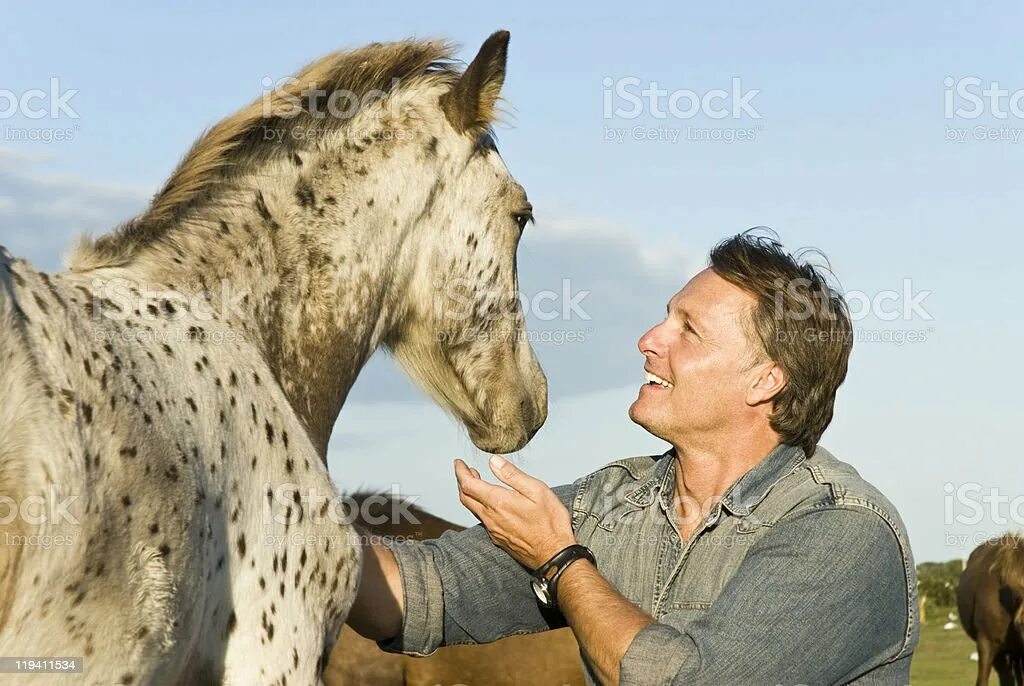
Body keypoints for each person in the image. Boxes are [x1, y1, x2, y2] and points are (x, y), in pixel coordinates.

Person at [346, 231, 919, 685]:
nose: (648, 338)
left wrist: (560, 562)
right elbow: (415, 595)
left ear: (765, 380)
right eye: (665, 316)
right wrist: (287, 503)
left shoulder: (843, 530)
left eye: (687, 330)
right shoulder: (611, 502)